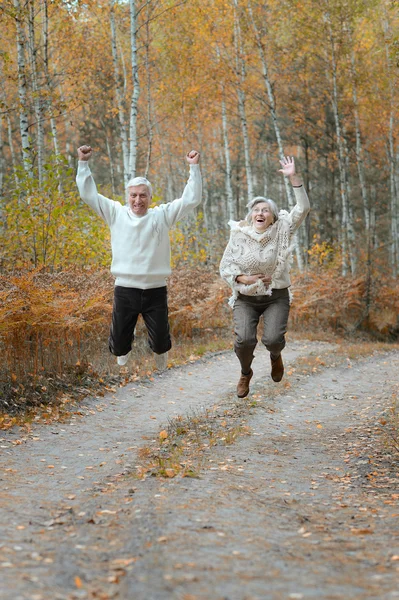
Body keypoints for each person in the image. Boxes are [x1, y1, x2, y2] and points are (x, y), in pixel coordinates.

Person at [76, 145, 202, 370]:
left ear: (150, 197)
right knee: (119, 342)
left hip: (155, 289)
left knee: (162, 340)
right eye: (133, 195)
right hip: (125, 288)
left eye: (143, 195)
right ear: (128, 197)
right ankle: (122, 355)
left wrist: (194, 168)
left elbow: (191, 200)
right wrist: (83, 164)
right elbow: (89, 195)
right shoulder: (115, 213)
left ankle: (160, 354)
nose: (138, 200)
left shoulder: (162, 215)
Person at [219, 156, 310, 398]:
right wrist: (242, 279)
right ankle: (245, 373)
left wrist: (294, 177)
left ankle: (275, 356)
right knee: (245, 341)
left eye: (265, 210)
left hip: (275, 296)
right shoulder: (238, 235)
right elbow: (225, 267)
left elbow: (302, 209)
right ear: (251, 216)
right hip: (246, 297)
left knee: (272, 339)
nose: (260, 213)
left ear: (272, 217)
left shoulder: (282, 230)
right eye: (256, 210)